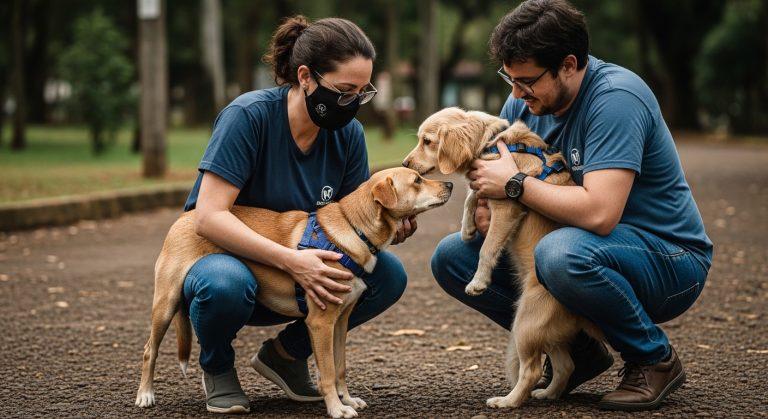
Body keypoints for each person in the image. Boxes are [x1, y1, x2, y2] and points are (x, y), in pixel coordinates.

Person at [431, 0, 712, 411]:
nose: (515, 93)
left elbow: (598, 214)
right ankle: (578, 354)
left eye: (526, 80)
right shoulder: (522, 106)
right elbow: (505, 203)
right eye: (509, 79)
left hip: (667, 259)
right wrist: (487, 207)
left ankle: (653, 359)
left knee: (559, 253)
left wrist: (512, 184)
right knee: (453, 256)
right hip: (583, 248)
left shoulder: (616, 99)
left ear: (568, 64)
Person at [182, 16, 416, 414]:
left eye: (363, 92)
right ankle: (217, 365)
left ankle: (286, 356)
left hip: (301, 280)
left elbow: (351, 222)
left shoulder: (348, 135)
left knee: (386, 276)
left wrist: (391, 222)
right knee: (223, 283)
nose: (354, 104)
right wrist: (293, 261)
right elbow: (208, 218)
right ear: (305, 76)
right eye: (344, 91)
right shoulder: (248, 117)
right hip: (226, 262)